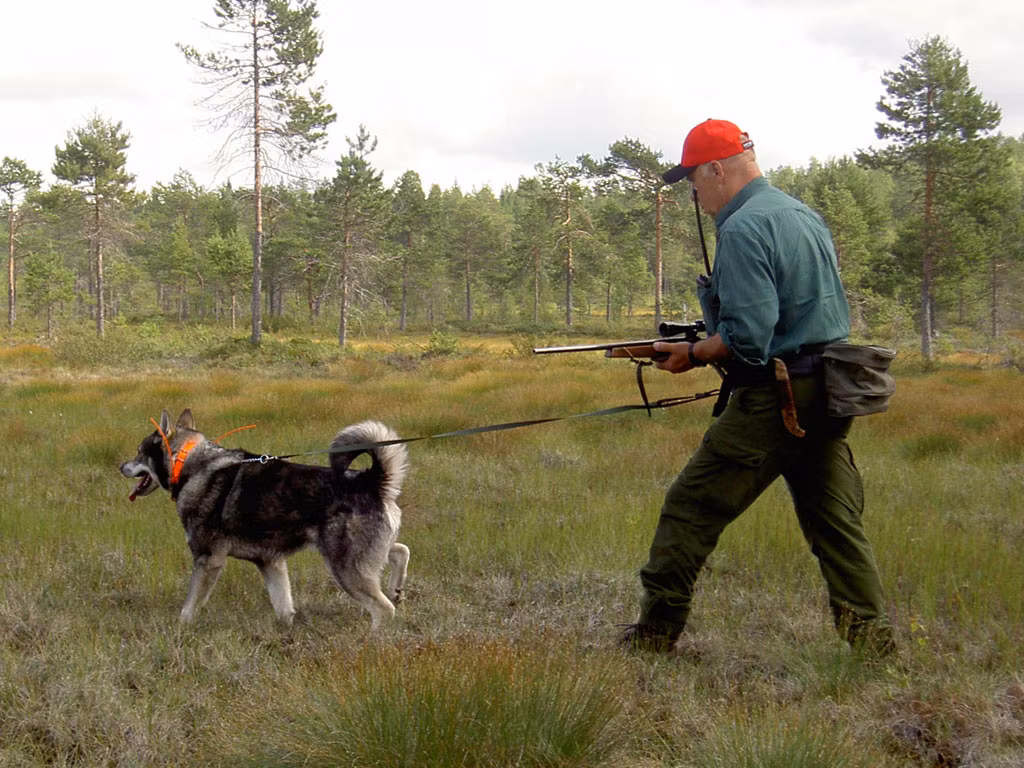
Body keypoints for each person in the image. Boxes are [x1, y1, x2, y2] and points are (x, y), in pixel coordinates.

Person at [620, 118, 896, 657]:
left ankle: (653, 637)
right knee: (835, 522)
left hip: (778, 396)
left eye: (694, 181)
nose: (694, 194)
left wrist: (694, 353)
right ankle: (875, 647)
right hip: (828, 390)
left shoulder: (744, 229)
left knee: (690, 507)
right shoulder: (801, 215)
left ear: (718, 169)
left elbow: (748, 337)